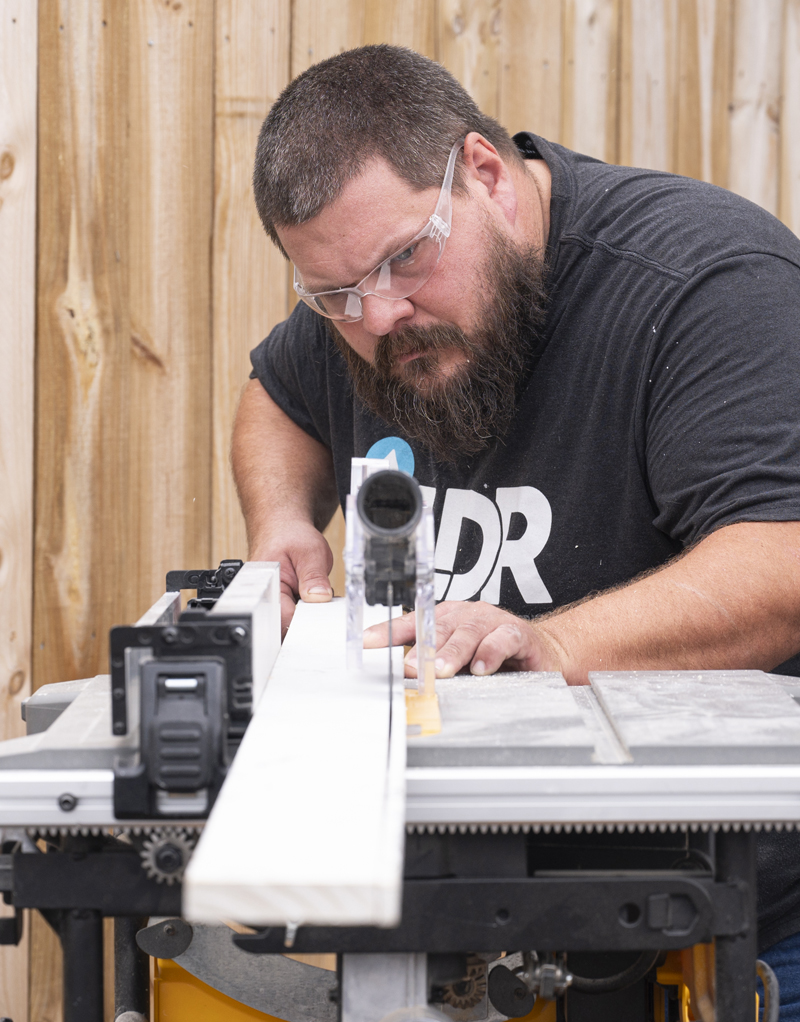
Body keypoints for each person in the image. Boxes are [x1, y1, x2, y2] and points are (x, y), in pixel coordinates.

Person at [233, 44, 800, 1013]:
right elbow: (276, 393)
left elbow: (780, 559)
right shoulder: (371, 306)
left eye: (402, 260)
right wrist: (281, 519)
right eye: (335, 296)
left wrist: (553, 641)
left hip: (735, 915)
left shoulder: (703, 284)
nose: (379, 316)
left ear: (484, 175)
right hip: (493, 918)